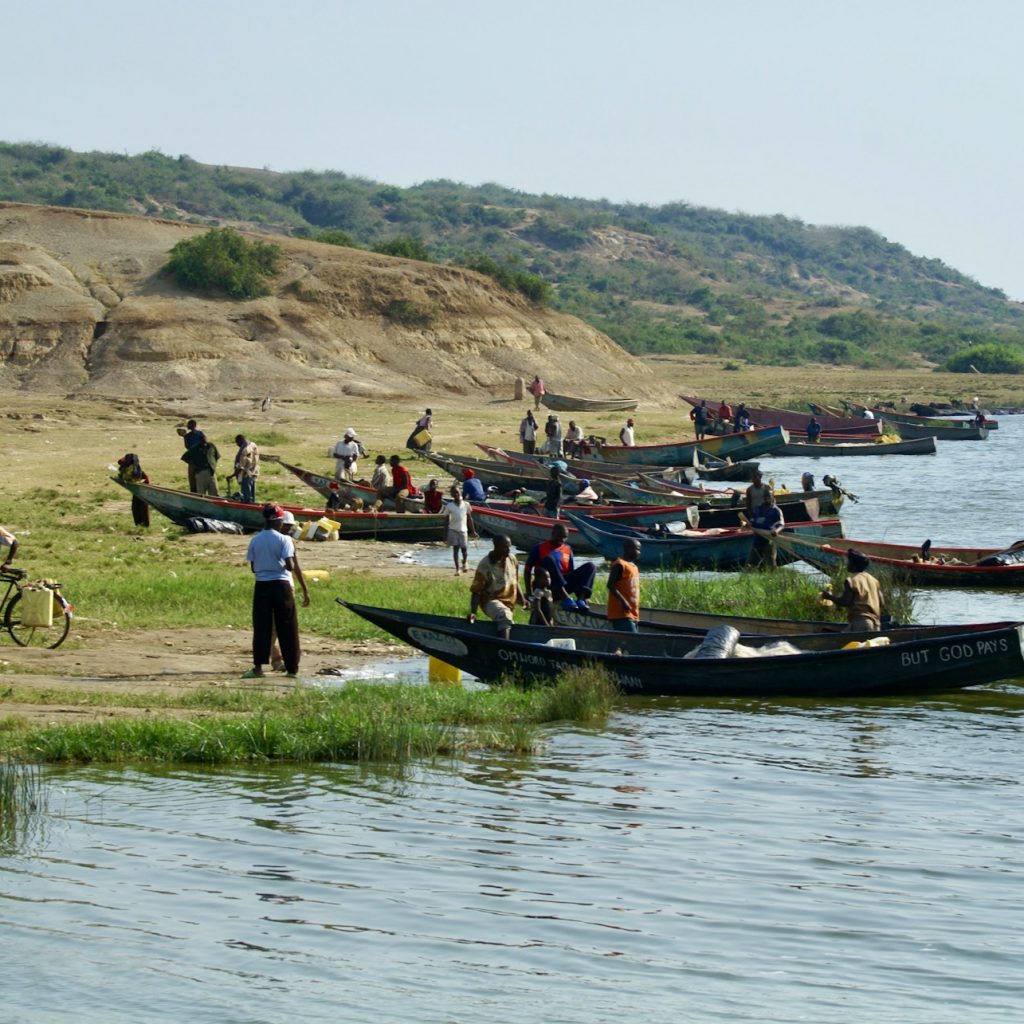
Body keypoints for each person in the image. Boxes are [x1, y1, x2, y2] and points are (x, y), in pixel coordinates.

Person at [243, 503, 308, 679]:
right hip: (282, 586)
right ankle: (292, 669)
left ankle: (258, 668)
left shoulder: (255, 540)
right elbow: (290, 565)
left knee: (262, 626)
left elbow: (254, 568)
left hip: (262, 586)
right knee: (287, 626)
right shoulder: (285, 540)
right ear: (278, 521)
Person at [267, 510, 311, 672]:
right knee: (273, 627)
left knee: (283, 626)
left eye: (289, 527)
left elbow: (296, 566)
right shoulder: (273, 540)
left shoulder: (288, 542)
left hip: (285, 587)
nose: (287, 529)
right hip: (274, 586)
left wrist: (305, 589)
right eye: (285, 526)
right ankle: (276, 660)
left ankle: (279, 660)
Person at [524, 522, 597, 611]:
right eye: (559, 536)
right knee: (548, 559)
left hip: (564, 584)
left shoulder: (568, 549)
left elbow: (571, 573)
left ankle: (581, 599)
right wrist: (528, 592)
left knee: (590, 566)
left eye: (564, 537)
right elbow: (527, 570)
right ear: (553, 534)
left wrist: (581, 592)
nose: (562, 539)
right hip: (547, 587)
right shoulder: (539, 548)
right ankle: (564, 597)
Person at [469, 534, 526, 638]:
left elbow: (515, 581)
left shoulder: (512, 559)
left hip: (509, 600)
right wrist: (473, 612)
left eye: (509, 546)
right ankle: (504, 646)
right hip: (491, 600)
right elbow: (476, 591)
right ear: (496, 546)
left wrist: (522, 600)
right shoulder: (485, 564)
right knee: (504, 614)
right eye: (505, 547)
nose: (508, 550)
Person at [820, 548, 884, 631]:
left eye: (848, 562)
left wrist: (829, 597)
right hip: (876, 625)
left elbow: (845, 601)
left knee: (841, 642)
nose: (847, 564)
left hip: (861, 623)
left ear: (853, 565)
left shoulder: (851, 580)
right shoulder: (874, 580)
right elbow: (882, 602)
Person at [606, 538, 642, 632]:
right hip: (621, 614)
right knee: (631, 642)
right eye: (637, 549)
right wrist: (623, 602)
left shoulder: (634, 567)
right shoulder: (620, 565)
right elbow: (610, 585)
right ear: (628, 549)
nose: (639, 552)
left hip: (633, 613)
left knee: (631, 643)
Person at [747, 490, 785, 568]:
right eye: (765, 496)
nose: (767, 497)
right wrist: (745, 524)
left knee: (770, 567)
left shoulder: (776, 510)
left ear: (772, 497)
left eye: (769, 496)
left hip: (768, 541)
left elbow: (781, 524)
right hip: (757, 541)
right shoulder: (757, 509)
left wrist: (776, 531)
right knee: (750, 566)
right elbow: (752, 522)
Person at [446, 484, 477, 574]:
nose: (456, 494)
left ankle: (465, 562)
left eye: (457, 492)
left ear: (460, 492)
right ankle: (457, 569)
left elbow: (469, 518)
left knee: (464, 549)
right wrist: (445, 534)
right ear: (451, 495)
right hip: (453, 530)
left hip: (463, 530)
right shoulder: (449, 506)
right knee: (455, 549)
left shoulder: (466, 504)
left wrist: (473, 531)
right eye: (454, 493)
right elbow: (446, 520)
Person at [116, 452, 152, 526]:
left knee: (141, 507)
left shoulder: (133, 469)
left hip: (142, 489)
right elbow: (119, 461)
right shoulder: (130, 467)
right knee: (136, 507)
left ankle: (143, 525)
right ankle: (140, 524)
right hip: (137, 489)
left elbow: (130, 477)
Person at [177, 419, 206, 493]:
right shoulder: (200, 434)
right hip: (200, 459)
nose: (188, 426)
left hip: (193, 460)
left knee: (192, 478)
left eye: (189, 424)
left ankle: (194, 493)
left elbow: (187, 446)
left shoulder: (188, 436)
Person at [234, 434, 260, 504]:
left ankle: (247, 508)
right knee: (252, 495)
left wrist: (234, 474)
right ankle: (253, 506)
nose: (237, 444)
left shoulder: (244, 450)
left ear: (240, 441)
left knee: (246, 497)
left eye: (237, 442)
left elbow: (241, 466)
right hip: (254, 472)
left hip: (246, 474)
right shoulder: (253, 445)